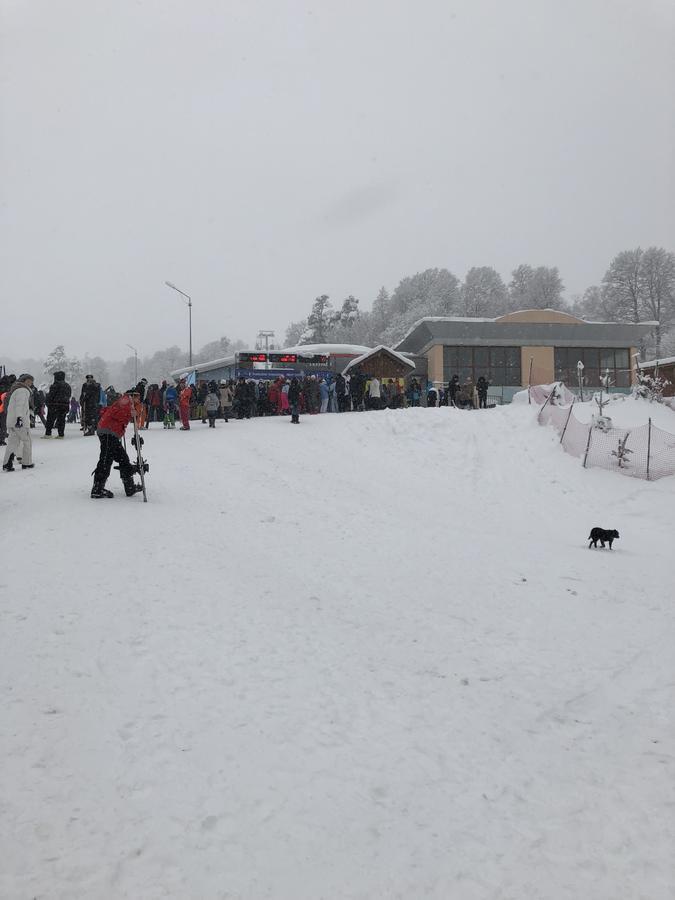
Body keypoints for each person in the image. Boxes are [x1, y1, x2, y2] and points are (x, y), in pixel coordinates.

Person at [90, 391, 145, 498]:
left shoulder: (126, 402)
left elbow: (109, 411)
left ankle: (130, 487)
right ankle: (97, 489)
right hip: (108, 432)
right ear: (133, 396)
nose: (138, 400)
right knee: (106, 459)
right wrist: (130, 414)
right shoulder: (125, 401)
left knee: (123, 458)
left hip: (111, 433)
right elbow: (115, 413)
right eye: (137, 397)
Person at [2, 374, 35, 471]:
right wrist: (19, 418)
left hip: (11, 421)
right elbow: (20, 405)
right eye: (30, 380)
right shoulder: (23, 390)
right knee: (27, 441)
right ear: (24, 381)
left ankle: (7, 463)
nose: (31, 383)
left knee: (12, 442)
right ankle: (27, 463)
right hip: (20, 422)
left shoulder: (15, 390)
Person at [44, 371, 71, 438]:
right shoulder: (68, 386)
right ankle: (61, 434)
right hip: (64, 406)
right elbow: (69, 395)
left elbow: (51, 396)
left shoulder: (54, 385)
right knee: (61, 420)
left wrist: (47, 401)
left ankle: (48, 434)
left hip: (54, 405)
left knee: (50, 419)